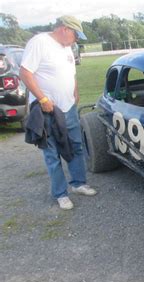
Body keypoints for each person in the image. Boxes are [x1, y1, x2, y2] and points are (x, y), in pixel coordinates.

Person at [20, 15, 97, 210]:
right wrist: (43, 99)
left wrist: (75, 91)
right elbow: (25, 73)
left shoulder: (67, 47)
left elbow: (71, 72)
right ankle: (61, 194)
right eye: (76, 35)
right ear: (65, 29)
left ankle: (79, 183)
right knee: (52, 152)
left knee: (76, 146)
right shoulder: (39, 43)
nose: (76, 40)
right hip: (47, 109)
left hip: (68, 107)